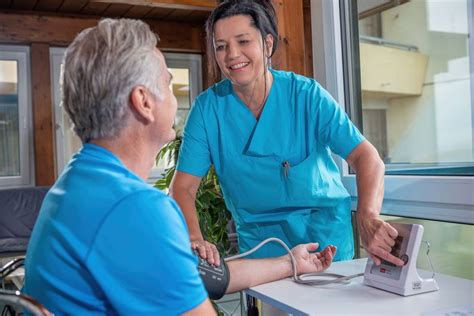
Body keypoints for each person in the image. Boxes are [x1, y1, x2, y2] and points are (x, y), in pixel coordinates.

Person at [23, 18, 337, 315]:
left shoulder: (79, 182)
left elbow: (199, 275)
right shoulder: (133, 208)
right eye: (168, 83)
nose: (175, 99)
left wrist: (290, 262)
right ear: (144, 102)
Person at [171, 0, 405, 267]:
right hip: (262, 254)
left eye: (243, 41)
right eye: (221, 46)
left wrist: (367, 216)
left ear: (268, 44)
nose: (232, 54)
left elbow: (367, 157)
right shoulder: (207, 110)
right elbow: (182, 188)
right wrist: (194, 237)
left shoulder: (307, 96)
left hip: (326, 246)